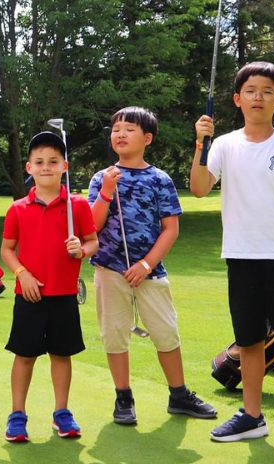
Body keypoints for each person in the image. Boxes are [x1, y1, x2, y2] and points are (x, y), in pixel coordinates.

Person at [189, 61, 274, 459]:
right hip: (241, 258)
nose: (258, 97)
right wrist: (200, 143)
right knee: (249, 342)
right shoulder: (224, 144)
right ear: (236, 99)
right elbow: (198, 189)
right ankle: (252, 416)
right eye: (250, 90)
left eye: (267, 91)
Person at [88, 106, 217, 426]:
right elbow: (90, 226)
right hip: (109, 269)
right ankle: (123, 397)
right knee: (114, 335)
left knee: (166, 333)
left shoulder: (159, 179)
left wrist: (146, 264)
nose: (120, 133)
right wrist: (105, 191)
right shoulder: (101, 177)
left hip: (149, 271)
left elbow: (170, 228)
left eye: (129, 128)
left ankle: (179, 395)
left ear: (147, 138)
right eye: (116, 128)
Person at [0, 131, 99, 442]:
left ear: (64, 166)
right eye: (39, 162)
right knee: (25, 355)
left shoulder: (78, 206)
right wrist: (22, 274)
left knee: (61, 354)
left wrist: (80, 250)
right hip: (29, 295)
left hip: (64, 294)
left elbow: (92, 242)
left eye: (53, 161)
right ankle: (17, 414)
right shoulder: (17, 208)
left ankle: (61, 412)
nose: (46, 167)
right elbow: (6, 250)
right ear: (29, 168)